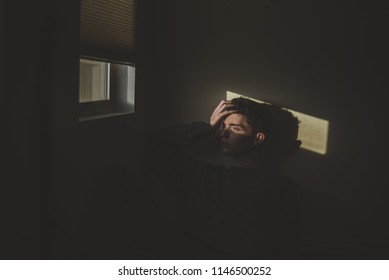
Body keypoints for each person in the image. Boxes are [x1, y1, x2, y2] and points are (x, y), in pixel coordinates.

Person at [99, 97, 301, 260]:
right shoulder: (208, 175)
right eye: (224, 127)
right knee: (115, 176)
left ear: (258, 138)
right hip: (188, 255)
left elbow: (285, 247)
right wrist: (207, 126)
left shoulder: (279, 187)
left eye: (235, 128)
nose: (224, 133)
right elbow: (155, 144)